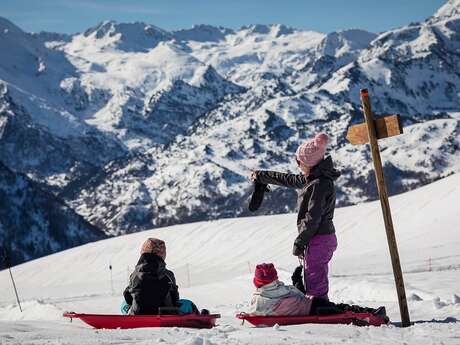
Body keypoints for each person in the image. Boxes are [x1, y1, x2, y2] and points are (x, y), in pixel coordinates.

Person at [250, 133, 340, 301]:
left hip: (319, 237)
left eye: (299, 162)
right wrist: (261, 176)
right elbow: (287, 179)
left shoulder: (319, 184)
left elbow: (312, 217)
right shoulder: (312, 178)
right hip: (318, 237)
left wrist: (300, 242)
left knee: (314, 273)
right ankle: (316, 302)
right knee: (312, 273)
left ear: (308, 163)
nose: (297, 165)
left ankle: (319, 304)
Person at [249, 263, 387, 320]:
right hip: (313, 307)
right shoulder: (279, 291)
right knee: (344, 310)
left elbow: (256, 311)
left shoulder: (258, 298)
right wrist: (296, 279)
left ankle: (371, 313)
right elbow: (299, 295)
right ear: (274, 278)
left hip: (310, 306)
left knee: (341, 309)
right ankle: (372, 315)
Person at [123, 238, 195, 315]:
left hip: (138, 312)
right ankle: (198, 318)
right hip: (166, 312)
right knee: (188, 304)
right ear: (162, 254)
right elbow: (175, 298)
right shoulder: (168, 274)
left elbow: (127, 295)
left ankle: (129, 315)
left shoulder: (134, 275)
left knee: (124, 304)